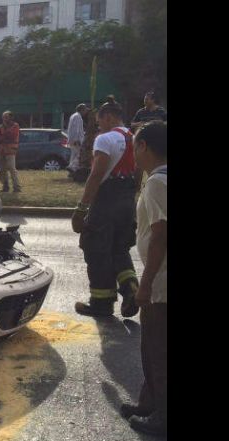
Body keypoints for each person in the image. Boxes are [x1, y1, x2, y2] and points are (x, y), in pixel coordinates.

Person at [71, 96, 140, 318]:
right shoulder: (134, 137)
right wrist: (132, 196)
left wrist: (82, 208)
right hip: (128, 200)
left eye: (99, 120)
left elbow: (96, 174)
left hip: (106, 202)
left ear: (108, 117)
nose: (98, 125)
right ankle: (130, 287)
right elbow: (138, 173)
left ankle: (101, 304)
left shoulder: (105, 139)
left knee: (96, 250)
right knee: (119, 248)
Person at [121, 120, 167, 436]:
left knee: (157, 348)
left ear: (144, 146)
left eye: (135, 146)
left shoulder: (157, 183)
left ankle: (161, 414)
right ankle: (149, 401)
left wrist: (146, 283)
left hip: (161, 282)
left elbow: (161, 236)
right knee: (151, 346)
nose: (133, 153)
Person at [0, 111, 21, 192]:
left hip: (10, 151)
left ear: (11, 117)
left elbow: (12, 136)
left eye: (6, 117)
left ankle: (16, 188)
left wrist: (3, 137)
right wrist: (4, 137)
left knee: (12, 169)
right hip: (1, 151)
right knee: (3, 170)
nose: (4, 119)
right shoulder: (0, 126)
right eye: (3, 117)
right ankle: (5, 187)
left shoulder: (15, 126)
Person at [67, 104, 89, 172]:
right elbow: (76, 129)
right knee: (79, 154)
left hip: (72, 139)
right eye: (85, 110)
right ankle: (72, 167)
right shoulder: (77, 117)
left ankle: (71, 169)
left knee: (74, 155)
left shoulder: (73, 115)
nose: (86, 112)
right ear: (82, 110)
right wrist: (77, 140)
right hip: (76, 140)